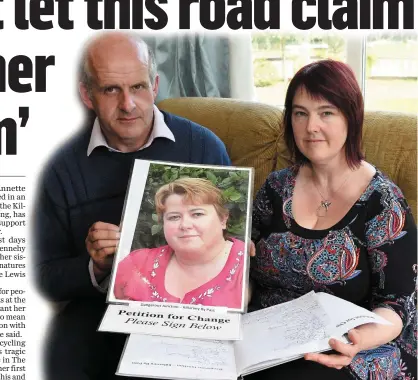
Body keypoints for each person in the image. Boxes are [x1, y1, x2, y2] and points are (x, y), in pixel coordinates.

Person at [33, 32, 231, 380]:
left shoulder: (203, 147)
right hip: (97, 313)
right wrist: (94, 268)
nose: (128, 104)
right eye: (111, 89)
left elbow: (234, 248)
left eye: (138, 87)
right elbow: (42, 275)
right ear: (87, 95)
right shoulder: (58, 166)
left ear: (155, 85)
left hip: (191, 312)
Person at [248, 60, 417, 380]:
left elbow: (396, 307)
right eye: (300, 113)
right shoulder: (274, 189)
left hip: (356, 346)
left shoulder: (383, 202)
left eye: (326, 112)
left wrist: (354, 343)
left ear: (350, 118)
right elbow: (245, 272)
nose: (311, 126)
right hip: (269, 339)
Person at [114, 177, 246, 309]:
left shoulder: (247, 264)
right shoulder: (137, 263)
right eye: (174, 217)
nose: (185, 225)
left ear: (223, 219)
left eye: (197, 214)